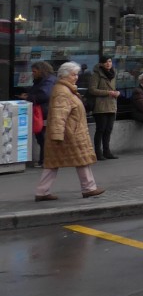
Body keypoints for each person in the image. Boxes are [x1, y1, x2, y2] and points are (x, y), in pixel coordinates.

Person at [34, 61, 104, 201]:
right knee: (79, 160)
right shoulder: (63, 91)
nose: (76, 77)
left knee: (55, 162)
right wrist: (57, 135)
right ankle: (89, 188)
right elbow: (59, 114)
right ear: (64, 76)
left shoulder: (66, 89)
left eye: (76, 74)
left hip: (70, 132)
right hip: (70, 133)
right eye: (73, 74)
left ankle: (42, 192)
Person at [19, 61, 56, 167]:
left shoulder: (48, 80)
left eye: (34, 71)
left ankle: (45, 160)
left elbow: (44, 95)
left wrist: (28, 97)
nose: (33, 74)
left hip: (44, 112)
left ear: (41, 71)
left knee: (43, 137)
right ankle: (43, 160)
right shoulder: (43, 80)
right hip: (42, 111)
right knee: (41, 137)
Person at [89, 55, 121, 160]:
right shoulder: (96, 74)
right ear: (101, 63)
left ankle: (107, 151)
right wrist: (108, 92)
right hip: (100, 106)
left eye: (110, 61)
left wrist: (116, 92)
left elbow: (113, 88)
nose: (108, 63)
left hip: (111, 105)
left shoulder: (113, 73)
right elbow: (92, 90)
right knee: (101, 129)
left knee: (108, 129)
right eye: (106, 62)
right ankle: (98, 152)